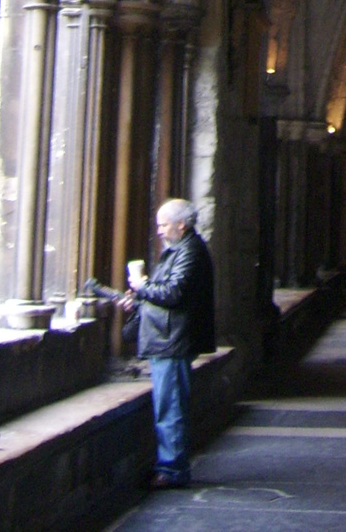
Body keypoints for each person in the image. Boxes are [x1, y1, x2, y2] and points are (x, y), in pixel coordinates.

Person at [121, 198, 216, 490]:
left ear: (181, 225)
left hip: (172, 341)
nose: (159, 231)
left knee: (170, 406)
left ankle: (173, 469)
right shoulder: (177, 250)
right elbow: (165, 290)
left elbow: (174, 293)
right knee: (168, 404)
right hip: (166, 338)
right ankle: (171, 465)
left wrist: (142, 288)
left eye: (163, 225)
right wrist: (139, 297)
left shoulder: (190, 251)